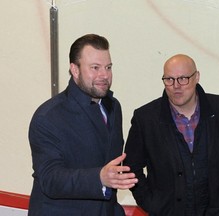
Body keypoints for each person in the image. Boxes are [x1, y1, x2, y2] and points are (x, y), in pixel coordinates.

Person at [124, 54, 219, 216]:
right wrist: (152, 203)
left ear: (196, 77)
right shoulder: (145, 118)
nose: (176, 86)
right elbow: (131, 166)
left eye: (183, 78)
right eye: (169, 79)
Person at [28, 34, 138, 216]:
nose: (104, 75)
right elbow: (50, 179)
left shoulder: (113, 106)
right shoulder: (47, 117)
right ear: (75, 70)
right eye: (95, 68)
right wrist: (99, 178)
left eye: (108, 67)